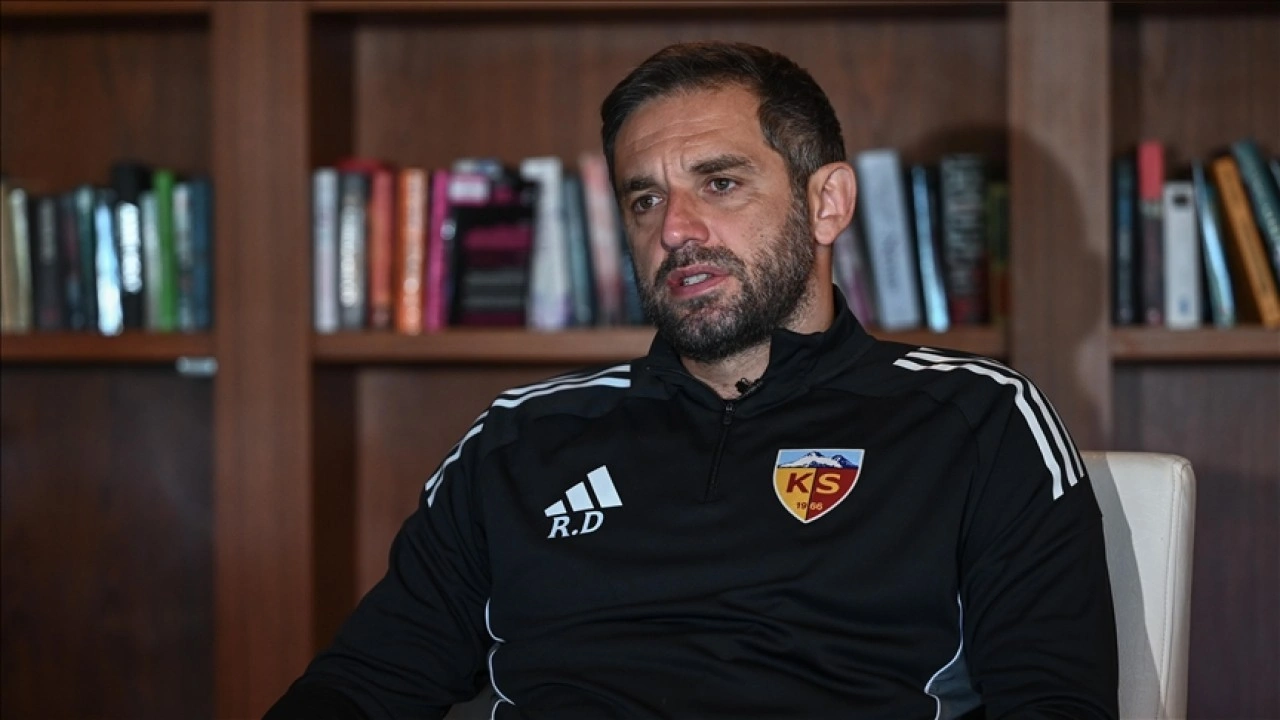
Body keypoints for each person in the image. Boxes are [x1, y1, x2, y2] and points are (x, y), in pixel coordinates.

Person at [266, 41, 1118, 719]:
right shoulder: (522, 437)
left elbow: (1053, 701)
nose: (676, 228)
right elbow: (366, 684)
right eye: (644, 200)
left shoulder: (976, 418)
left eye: (720, 182)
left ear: (827, 202)